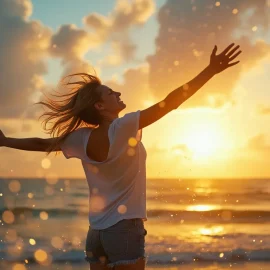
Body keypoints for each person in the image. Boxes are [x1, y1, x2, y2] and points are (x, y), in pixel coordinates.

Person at [0, 43, 241, 270]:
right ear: (99, 106)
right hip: (124, 231)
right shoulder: (123, 127)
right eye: (109, 92)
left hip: (96, 235)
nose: (117, 92)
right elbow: (170, 103)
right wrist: (210, 70)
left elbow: (42, 143)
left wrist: (6, 141)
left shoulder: (80, 138)